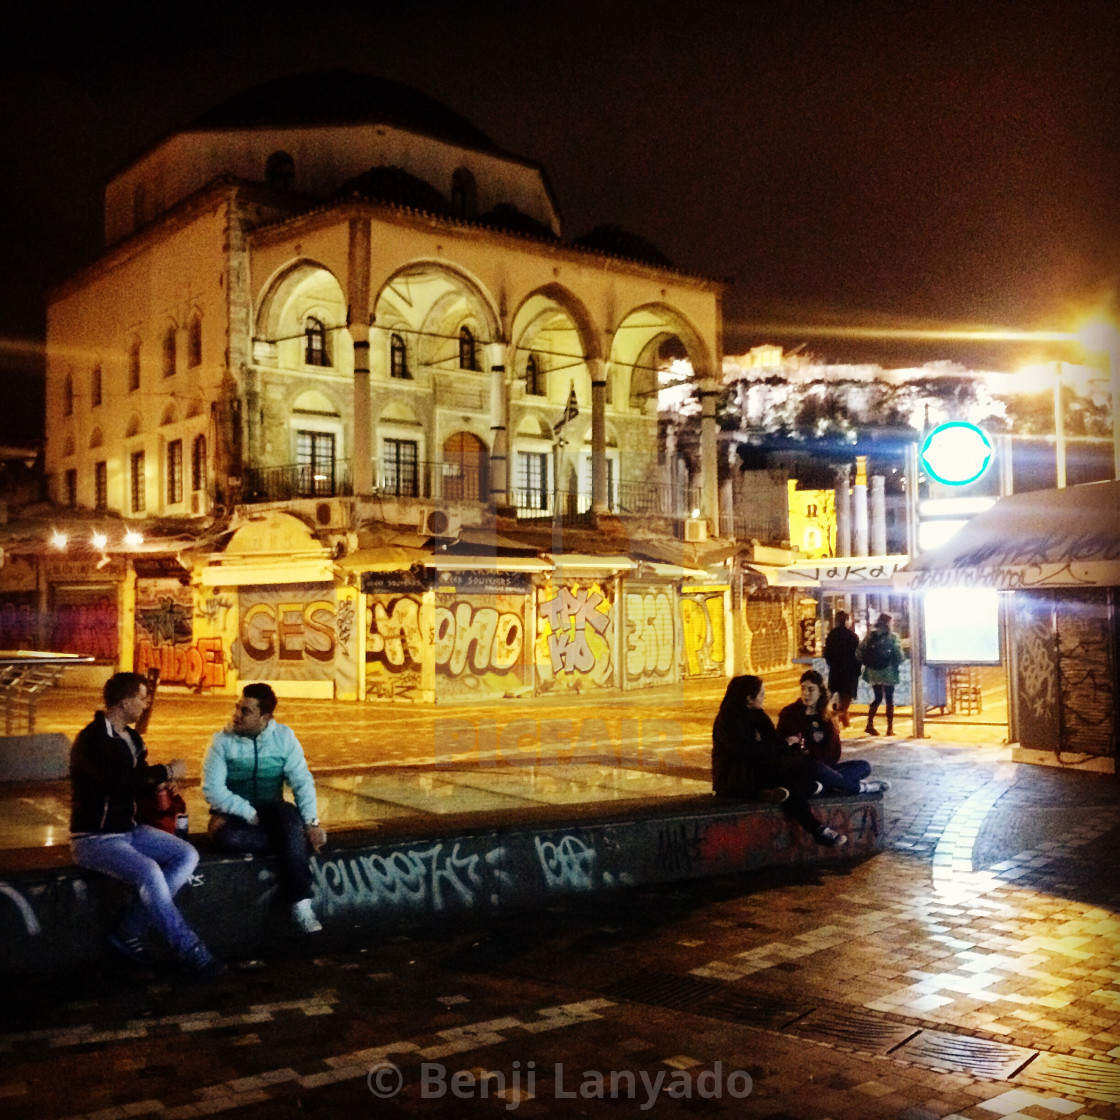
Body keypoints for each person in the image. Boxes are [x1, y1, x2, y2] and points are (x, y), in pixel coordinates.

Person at [69, 672, 224, 979]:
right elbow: (119, 784)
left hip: (129, 831)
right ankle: (190, 949)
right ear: (125, 701)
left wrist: (162, 787)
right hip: (95, 839)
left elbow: (138, 785)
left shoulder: (132, 739)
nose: (146, 703)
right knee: (150, 871)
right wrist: (165, 770)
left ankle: (130, 930)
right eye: (142, 697)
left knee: (186, 854)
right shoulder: (93, 740)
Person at [202, 684, 327, 933]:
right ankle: (292, 842)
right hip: (235, 813)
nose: (236, 714)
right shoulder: (221, 742)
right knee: (227, 836)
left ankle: (301, 903)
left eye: (246, 711)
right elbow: (213, 790)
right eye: (237, 707)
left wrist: (311, 822)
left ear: (265, 717)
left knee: (291, 820)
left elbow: (301, 781)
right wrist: (249, 813)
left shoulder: (284, 738)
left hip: (273, 809)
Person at [712, 674, 846, 847]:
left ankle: (777, 791)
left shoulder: (758, 716)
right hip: (733, 778)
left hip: (757, 771)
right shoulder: (728, 720)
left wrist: (790, 748)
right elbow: (746, 750)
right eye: (761, 694)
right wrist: (781, 745)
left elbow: (771, 743)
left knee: (796, 767)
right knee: (786, 782)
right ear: (748, 698)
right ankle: (817, 829)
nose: (764, 698)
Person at [776, 669, 888, 796]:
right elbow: (783, 745)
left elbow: (835, 753)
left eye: (811, 690)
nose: (805, 694)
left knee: (864, 766)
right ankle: (860, 788)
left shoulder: (825, 716)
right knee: (817, 769)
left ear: (820, 691)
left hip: (827, 768)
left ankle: (824, 786)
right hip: (805, 768)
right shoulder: (790, 713)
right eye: (803, 689)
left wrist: (834, 734)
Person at [858, 613, 905, 736]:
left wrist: (868, 663)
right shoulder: (893, 637)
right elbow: (898, 655)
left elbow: (859, 652)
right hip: (888, 671)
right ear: (889, 623)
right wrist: (897, 663)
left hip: (874, 672)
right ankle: (889, 729)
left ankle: (869, 724)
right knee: (889, 699)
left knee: (878, 697)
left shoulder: (870, 636)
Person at [822, 610, 861, 727]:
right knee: (847, 694)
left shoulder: (832, 635)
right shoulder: (852, 636)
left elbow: (827, 653)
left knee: (834, 690)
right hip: (849, 670)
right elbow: (857, 655)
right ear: (847, 621)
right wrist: (857, 669)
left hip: (836, 669)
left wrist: (832, 663)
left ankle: (839, 714)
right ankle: (841, 714)